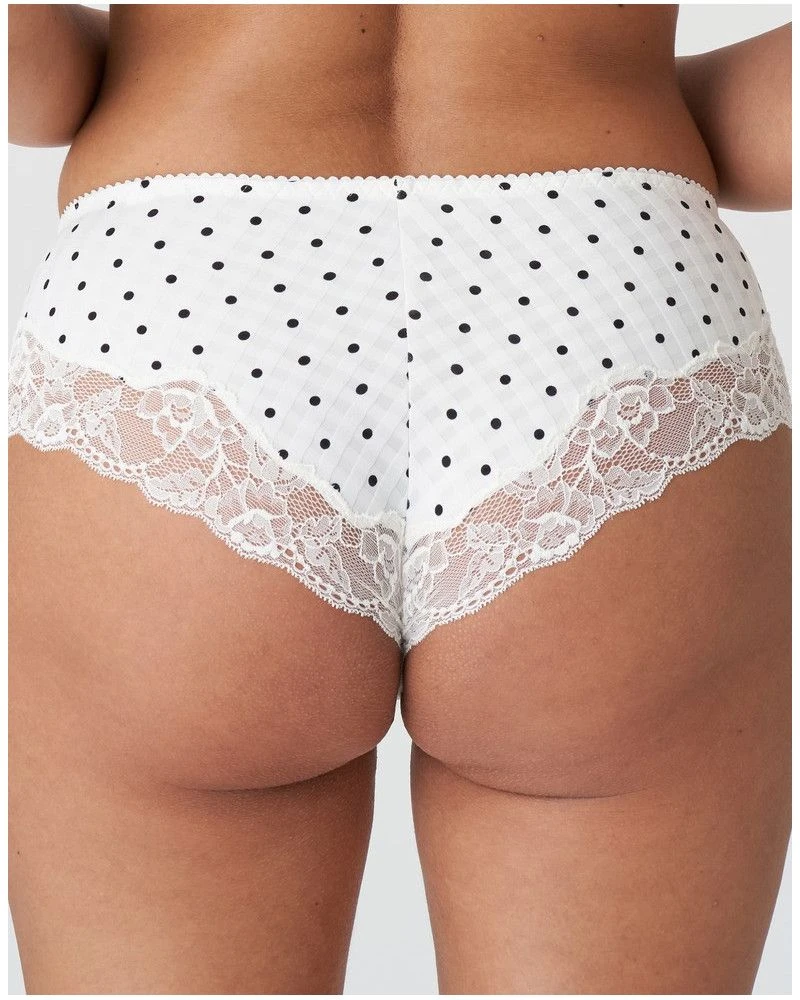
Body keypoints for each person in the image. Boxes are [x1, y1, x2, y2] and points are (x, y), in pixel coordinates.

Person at [8, 5, 791, 994]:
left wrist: (137, 67)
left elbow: (24, 71)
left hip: (184, 281)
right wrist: (613, 96)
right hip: (612, 279)